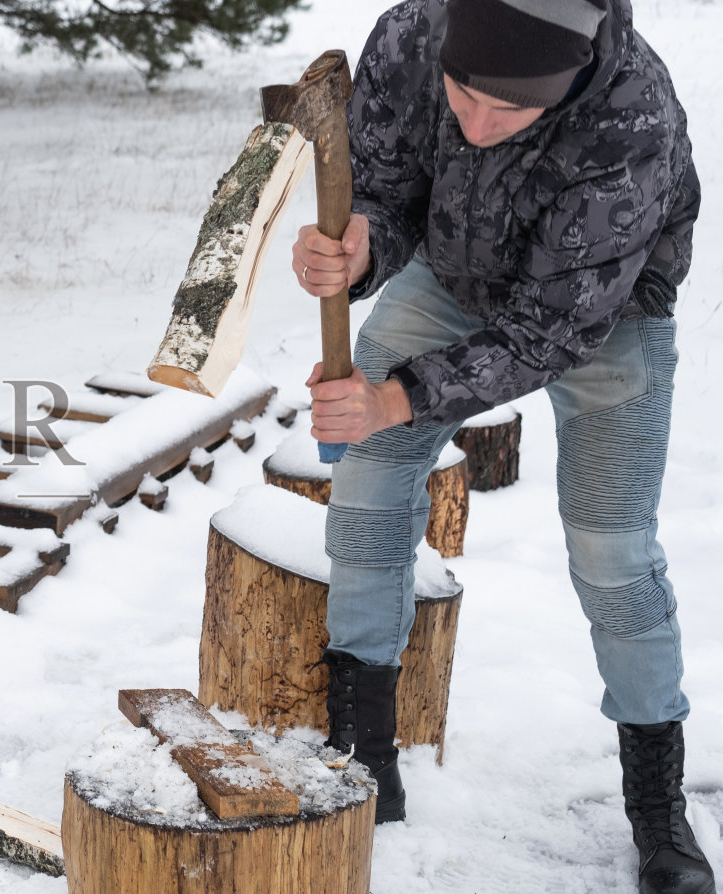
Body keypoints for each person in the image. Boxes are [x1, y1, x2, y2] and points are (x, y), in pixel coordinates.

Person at [288, 1, 711, 891]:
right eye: (463, 92)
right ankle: (364, 755)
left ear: (574, 71)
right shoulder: (412, 37)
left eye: (511, 107)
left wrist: (396, 397)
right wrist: (362, 248)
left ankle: (658, 807)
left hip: (604, 316)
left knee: (612, 547)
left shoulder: (631, 118)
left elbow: (546, 333)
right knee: (369, 478)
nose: (477, 125)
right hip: (450, 279)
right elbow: (389, 192)